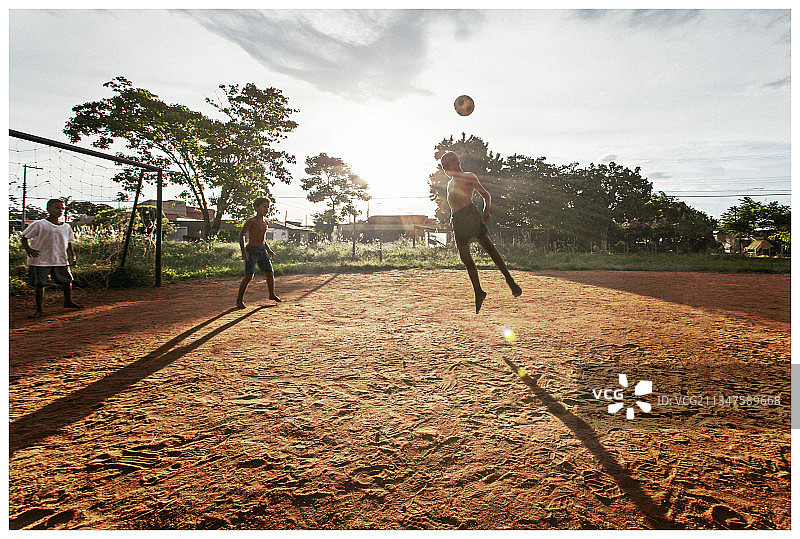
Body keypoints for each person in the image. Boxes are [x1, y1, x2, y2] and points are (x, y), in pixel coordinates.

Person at [440, 151, 522, 313]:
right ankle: (478, 291)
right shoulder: (449, 183)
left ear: (456, 162)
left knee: (489, 248)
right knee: (466, 259)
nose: (444, 170)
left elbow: (486, 195)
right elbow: (452, 204)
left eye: (446, 166)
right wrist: (452, 218)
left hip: (470, 215)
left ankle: (509, 280)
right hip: (458, 220)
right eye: (442, 167)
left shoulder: (469, 176)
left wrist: (486, 211)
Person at [21, 198, 83, 318]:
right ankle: (39, 309)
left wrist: (72, 256)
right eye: (57, 208)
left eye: (62, 208)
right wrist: (28, 249)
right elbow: (24, 237)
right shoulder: (40, 224)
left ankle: (68, 302)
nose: (60, 210)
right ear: (48, 209)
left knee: (66, 281)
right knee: (40, 284)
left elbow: (69, 243)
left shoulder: (66, 227)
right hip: (41, 260)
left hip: (60, 259)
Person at [236, 197, 282, 308]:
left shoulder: (265, 222)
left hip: (262, 251)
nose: (266, 209)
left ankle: (272, 294)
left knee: (270, 273)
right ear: (256, 208)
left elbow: (262, 238)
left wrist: (268, 250)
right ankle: (239, 300)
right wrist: (243, 251)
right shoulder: (252, 221)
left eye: (267, 207)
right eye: (263, 206)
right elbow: (241, 235)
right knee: (249, 276)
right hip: (251, 251)